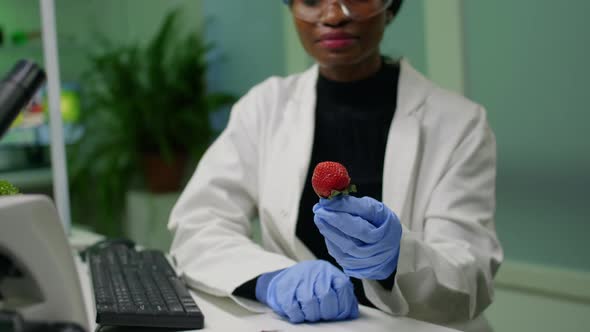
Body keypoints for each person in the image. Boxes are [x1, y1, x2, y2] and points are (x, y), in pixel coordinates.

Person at [168, 0, 503, 331]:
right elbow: (200, 224)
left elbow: (471, 274)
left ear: (390, 7)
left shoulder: (459, 122)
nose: (332, 16)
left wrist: (396, 260)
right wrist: (272, 279)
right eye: (312, 0)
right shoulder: (264, 107)